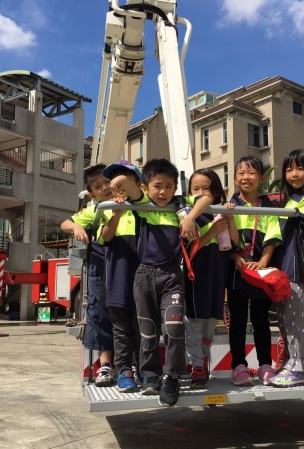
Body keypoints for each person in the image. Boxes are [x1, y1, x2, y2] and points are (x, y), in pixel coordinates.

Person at [108, 158, 212, 407]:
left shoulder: (181, 207)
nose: (163, 191)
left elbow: (206, 197)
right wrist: (118, 183)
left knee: (174, 327)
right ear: (145, 187)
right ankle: (151, 375)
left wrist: (189, 218)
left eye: (168, 186)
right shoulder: (143, 205)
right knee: (147, 330)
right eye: (157, 185)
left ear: (176, 188)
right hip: (144, 276)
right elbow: (124, 182)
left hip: (172, 277)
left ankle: (172, 377)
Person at [226, 156, 282, 386]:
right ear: (235, 178)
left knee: (261, 319)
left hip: (261, 272)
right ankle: (238, 366)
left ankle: (265, 365)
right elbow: (224, 242)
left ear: (261, 178)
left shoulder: (268, 206)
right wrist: (237, 260)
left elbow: (272, 237)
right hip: (236, 271)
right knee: (237, 319)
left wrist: (263, 262)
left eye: (251, 173)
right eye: (241, 173)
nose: (246, 177)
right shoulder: (228, 206)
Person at [268, 149, 304, 387]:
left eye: (299, 168)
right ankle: (291, 363)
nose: (294, 174)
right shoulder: (287, 201)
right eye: (289, 169)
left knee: (296, 319)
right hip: (283, 270)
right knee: (285, 320)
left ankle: (299, 368)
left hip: (298, 269)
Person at [183, 169, 239, 388]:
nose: (200, 193)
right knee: (194, 322)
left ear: (216, 191)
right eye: (195, 189)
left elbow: (234, 243)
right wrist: (212, 231)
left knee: (209, 324)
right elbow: (189, 251)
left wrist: (230, 219)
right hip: (196, 277)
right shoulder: (188, 214)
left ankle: (202, 359)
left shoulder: (219, 211)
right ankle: (197, 365)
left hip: (216, 278)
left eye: (206, 188)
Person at [60, 165, 115, 387]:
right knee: (101, 313)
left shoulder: (131, 204)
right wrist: (75, 227)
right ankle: (106, 364)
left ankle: (130, 364)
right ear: (92, 194)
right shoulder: (95, 210)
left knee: (127, 314)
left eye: (107, 182)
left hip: (126, 265)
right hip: (101, 266)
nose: (104, 188)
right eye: (98, 186)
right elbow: (65, 223)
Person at [98, 160, 143, 393]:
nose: (119, 183)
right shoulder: (106, 207)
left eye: (126, 178)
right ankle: (124, 369)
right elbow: (104, 237)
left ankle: (144, 369)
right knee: (121, 328)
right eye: (115, 179)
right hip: (117, 278)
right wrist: (116, 213)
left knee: (144, 326)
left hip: (144, 278)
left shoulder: (147, 206)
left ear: (138, 183)